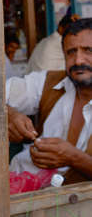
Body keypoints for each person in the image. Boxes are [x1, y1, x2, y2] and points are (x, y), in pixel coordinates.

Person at [6, 18, 92, 184]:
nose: (78, 60)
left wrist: (74, 158)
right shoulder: (49, 82)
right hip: (21, 191)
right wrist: (9, 115)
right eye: (71, 52)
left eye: (88, 50)